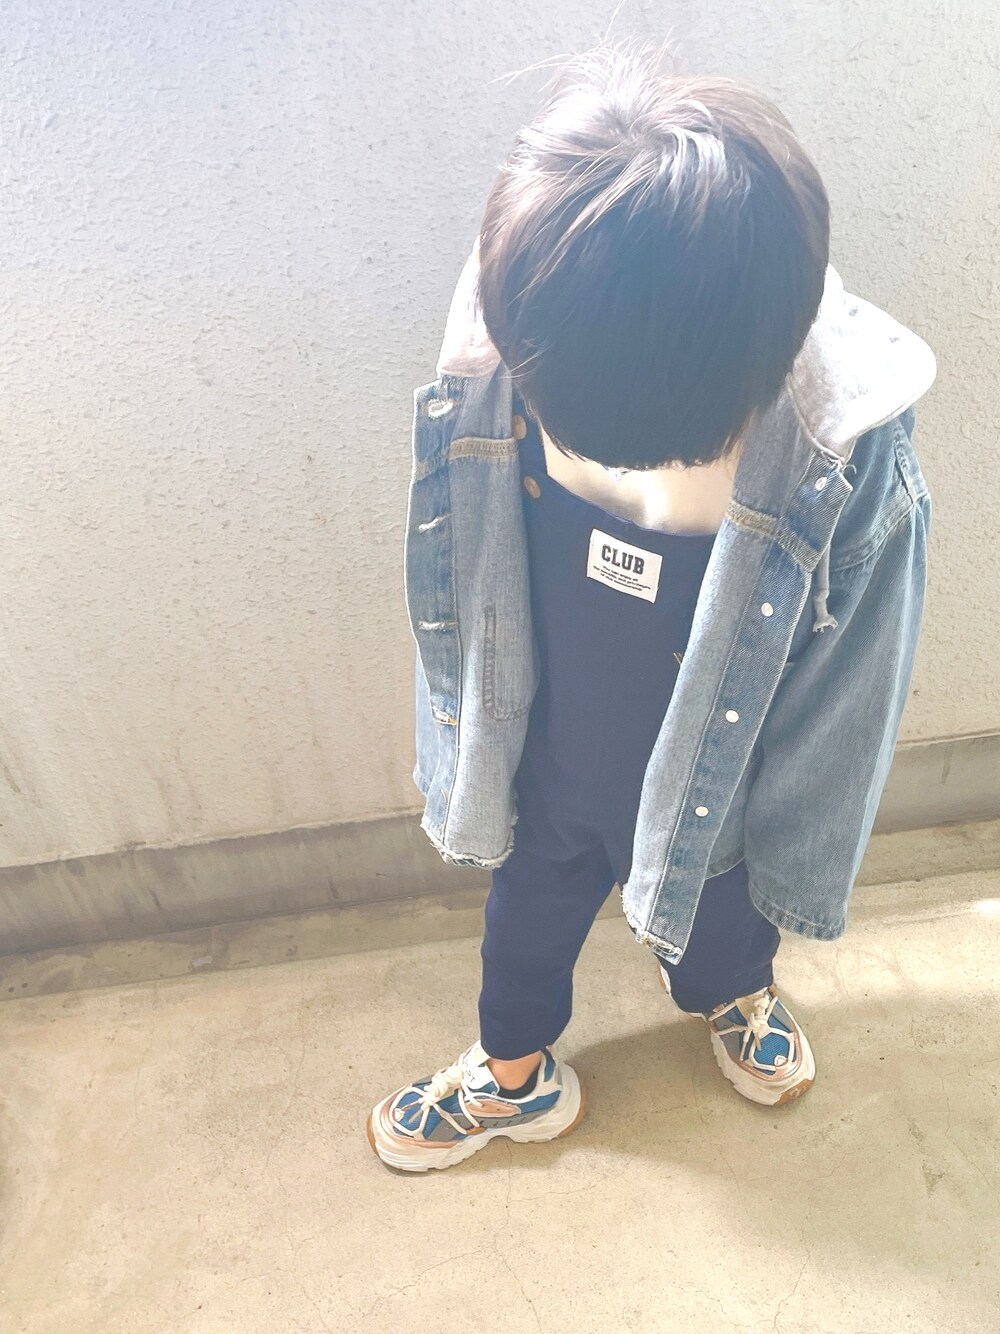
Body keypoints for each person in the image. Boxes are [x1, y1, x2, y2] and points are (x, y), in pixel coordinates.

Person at [367, 41, 936, 1172]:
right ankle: (513, 1077)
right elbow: (464, 576)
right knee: (523, 920)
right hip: (554, 742)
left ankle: (734, 993)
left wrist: (795, 848)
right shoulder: (529, 315)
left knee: (721, 916)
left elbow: (851, 682)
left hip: (720, 770)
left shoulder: (841, 451)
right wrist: (468, 741)